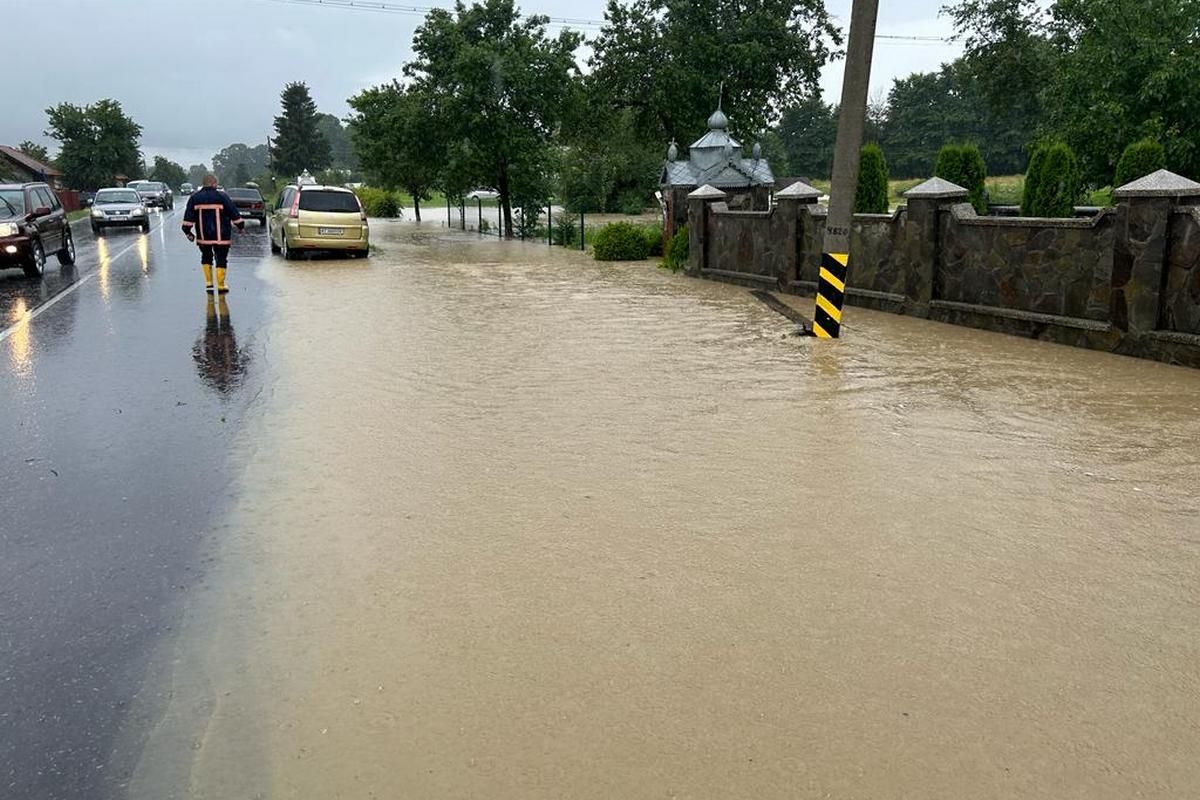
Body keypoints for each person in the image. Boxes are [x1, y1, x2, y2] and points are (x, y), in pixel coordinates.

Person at [181, 175, 244, 293]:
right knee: (221, 259)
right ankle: (221, 285)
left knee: (206, 257)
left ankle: (209, 283)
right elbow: (233, 213)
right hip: (222, 236)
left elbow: (188, 219)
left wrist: (188, 232)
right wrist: (240, 226)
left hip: (203, 237)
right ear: (214, 183)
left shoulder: (195, 198)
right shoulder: (222, 197)